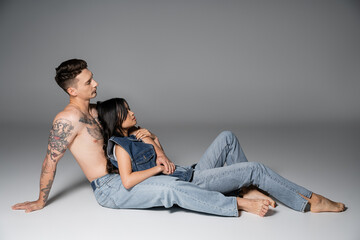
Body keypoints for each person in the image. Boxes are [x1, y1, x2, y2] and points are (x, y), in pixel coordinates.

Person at [11, 58, 277, 217]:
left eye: (93, 78)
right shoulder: (65, 120)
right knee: (172, 189)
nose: (96, 84)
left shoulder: (96, 110)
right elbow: (50, 162)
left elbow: (134, 132)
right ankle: (240, 203)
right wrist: (40, 200)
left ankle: (245, 184)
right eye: (88, 82)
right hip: (111, 188)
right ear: (71, 90)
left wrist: (158, 150)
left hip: (125, 175)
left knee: (184, 176)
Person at [96, 97, 345, 215]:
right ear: (115, 118)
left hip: (190, 172)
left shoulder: (138, 135)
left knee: (227, 136)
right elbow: (128, 181)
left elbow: (166, 162)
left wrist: (157, 144)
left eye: (129, 108)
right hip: (190, 183)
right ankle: (310, 201)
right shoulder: (120, 146)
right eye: (126, 111)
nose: (132, 112)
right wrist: (158, 169)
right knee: (255, 168)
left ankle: (245, 189)